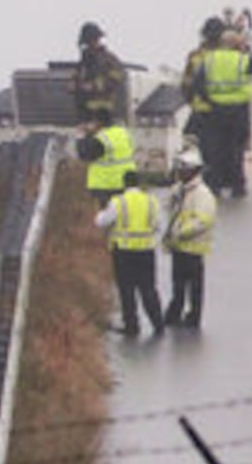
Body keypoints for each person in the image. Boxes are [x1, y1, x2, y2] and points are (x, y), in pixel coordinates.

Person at [94, 170, 166, 337]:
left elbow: (101, 221)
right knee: (149, 289)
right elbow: (160, 225)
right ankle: (158, 323)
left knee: (127, 290)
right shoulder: (151, 201)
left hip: (124, 252)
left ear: (124, 184)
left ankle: (131, 325)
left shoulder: (118, 202)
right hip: (146, 251)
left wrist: (100, 212)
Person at [195, 23, 252, 197]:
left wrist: (209, 99)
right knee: (236, 149)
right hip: (238, 110)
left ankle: (215, 186)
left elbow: (197, 83)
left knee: (216, 149)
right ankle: (238, 186)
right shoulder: (243, 60)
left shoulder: (209, 59)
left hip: (216, 110)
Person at [163, 146, 216, 329]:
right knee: (177, 284)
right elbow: (169, 208)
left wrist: (180, 232)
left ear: (193, 170)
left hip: (193, 247)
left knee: (194, 287)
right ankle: (174, 313)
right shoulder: (180, 190)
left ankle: (194, 317)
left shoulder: (203, 194)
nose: (179, 172)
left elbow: (202, 221)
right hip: (179, 247)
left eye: (182, 169)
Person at [71, 21, 126, 126]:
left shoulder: (109, 59)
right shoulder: (83, 62)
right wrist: (73, 84)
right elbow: (76, 76)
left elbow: (118, 76)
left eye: (91, 42)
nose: (88, 46)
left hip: (104, 113)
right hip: (85, 114)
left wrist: (95, 85)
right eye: (86, 43)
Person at [77, 109, 137, 205]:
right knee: (122, 213)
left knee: (105, 217)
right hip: (125, 182)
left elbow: (84, 155)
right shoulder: (123, 132)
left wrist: (81, 137)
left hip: (105, 185)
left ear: (98, 122)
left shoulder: (102, 138)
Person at [180, 16, 225, 141]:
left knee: (190, 141)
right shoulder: (229, 58)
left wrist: (193, 101)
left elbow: (186, 87)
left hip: (200, 114)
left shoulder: (195, 56)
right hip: (223, 113)